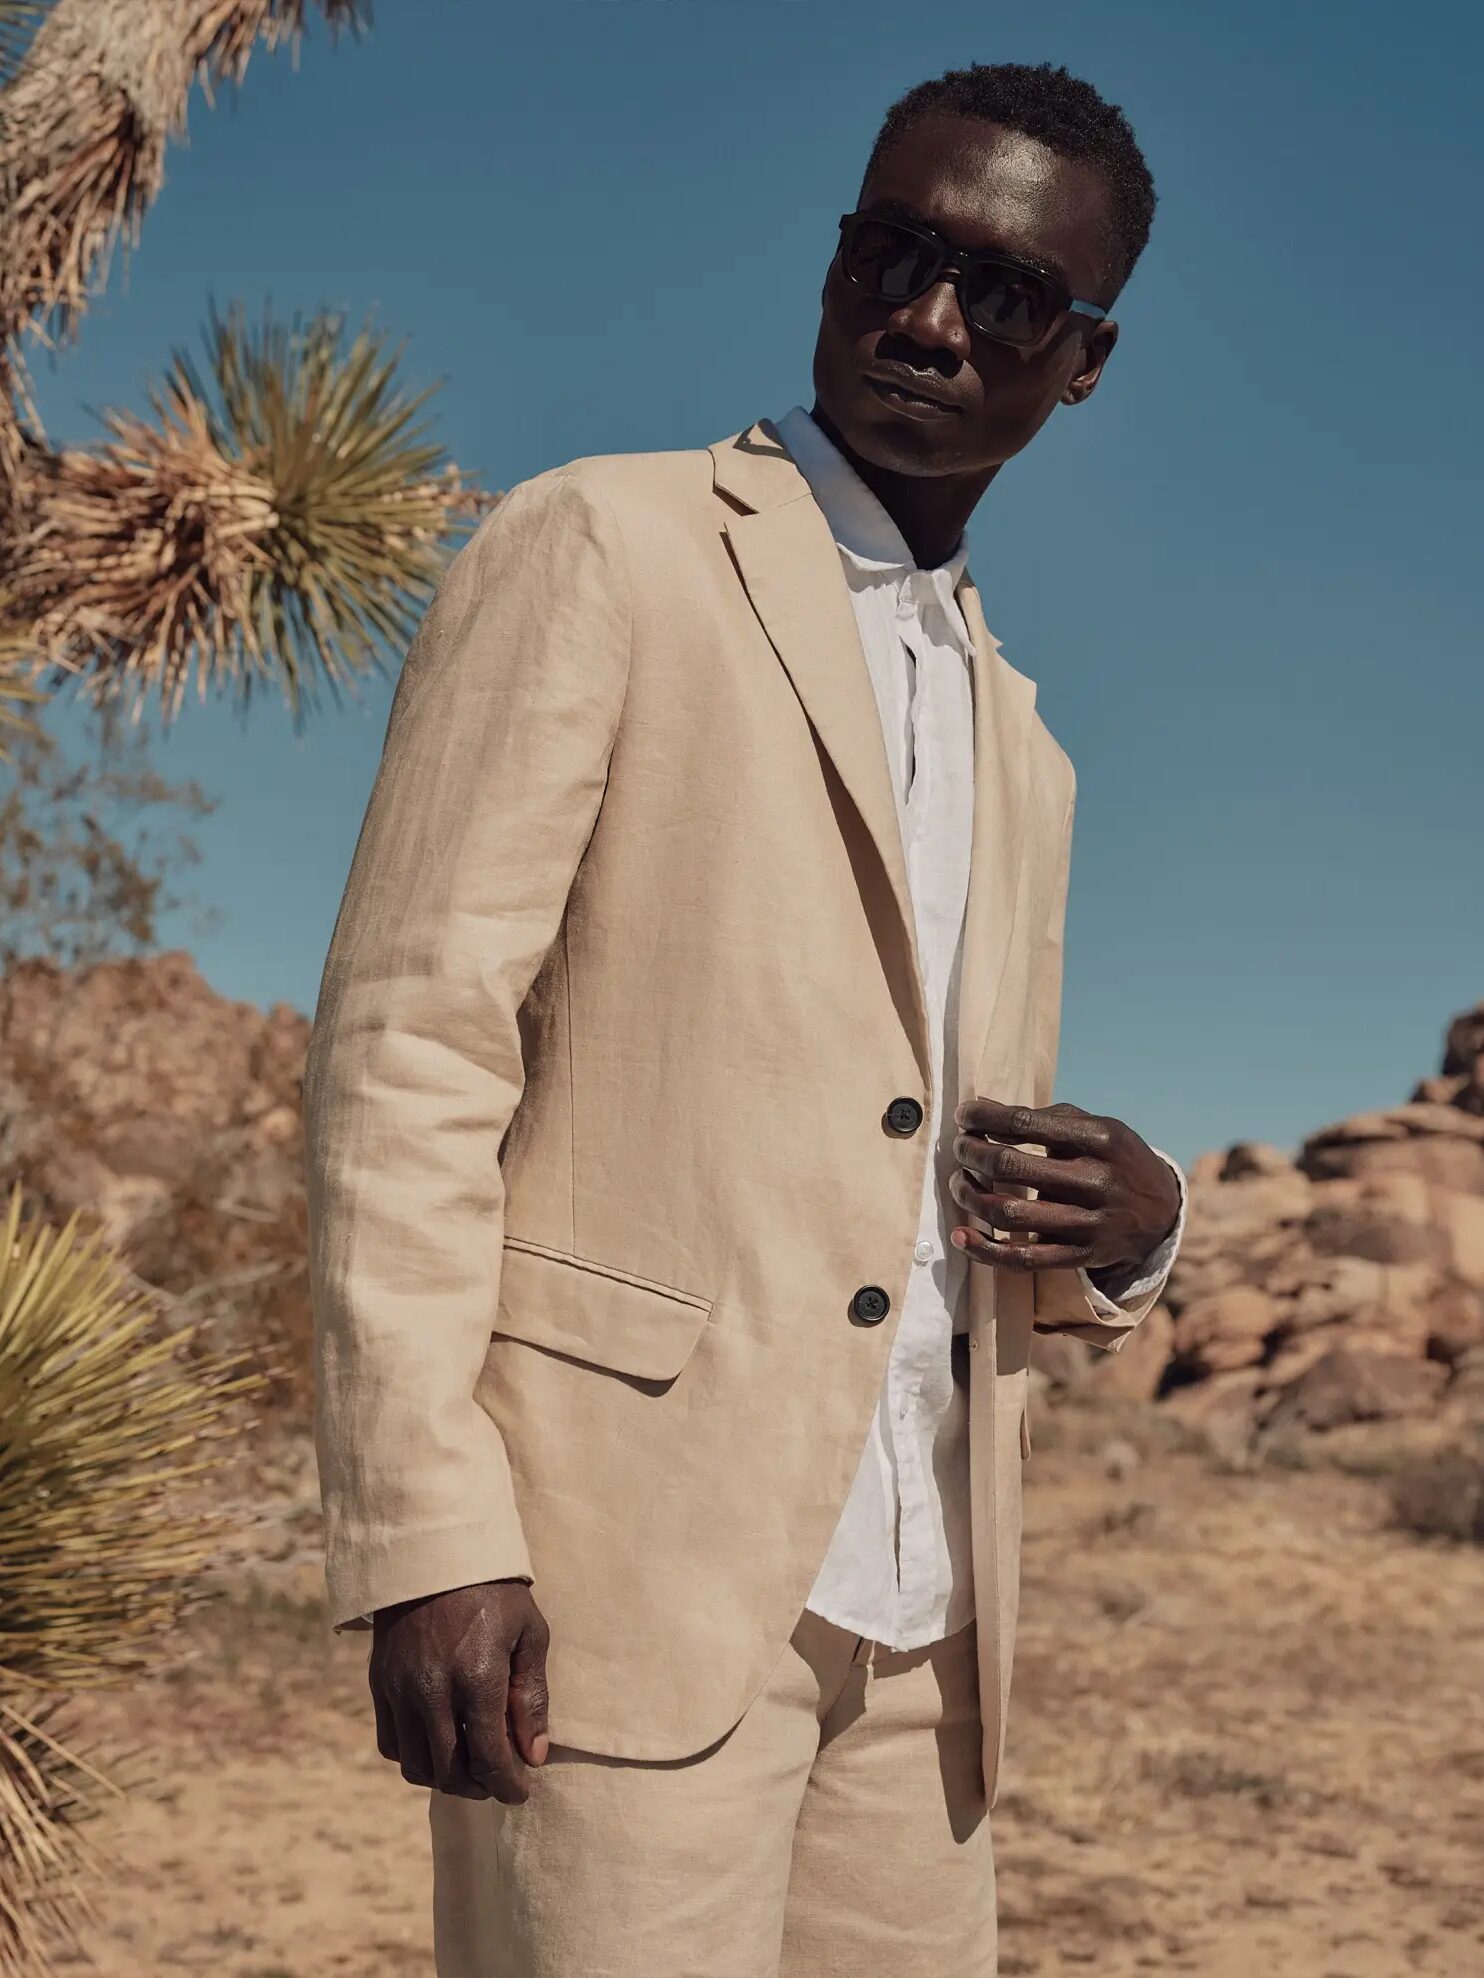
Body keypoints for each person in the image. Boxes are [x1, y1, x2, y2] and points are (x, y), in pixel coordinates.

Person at [304, 57, 1187, 1978]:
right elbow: (409, 1046)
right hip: (616, 1587)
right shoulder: (603, 546)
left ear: (1086, 358)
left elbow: (924, 1164)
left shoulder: (1025, 743)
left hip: (925, 1631)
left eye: (1007, 292)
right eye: (897, 248)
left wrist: (1131, 1238)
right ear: (839, 255)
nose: (931, 318)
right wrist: (430, 1532)